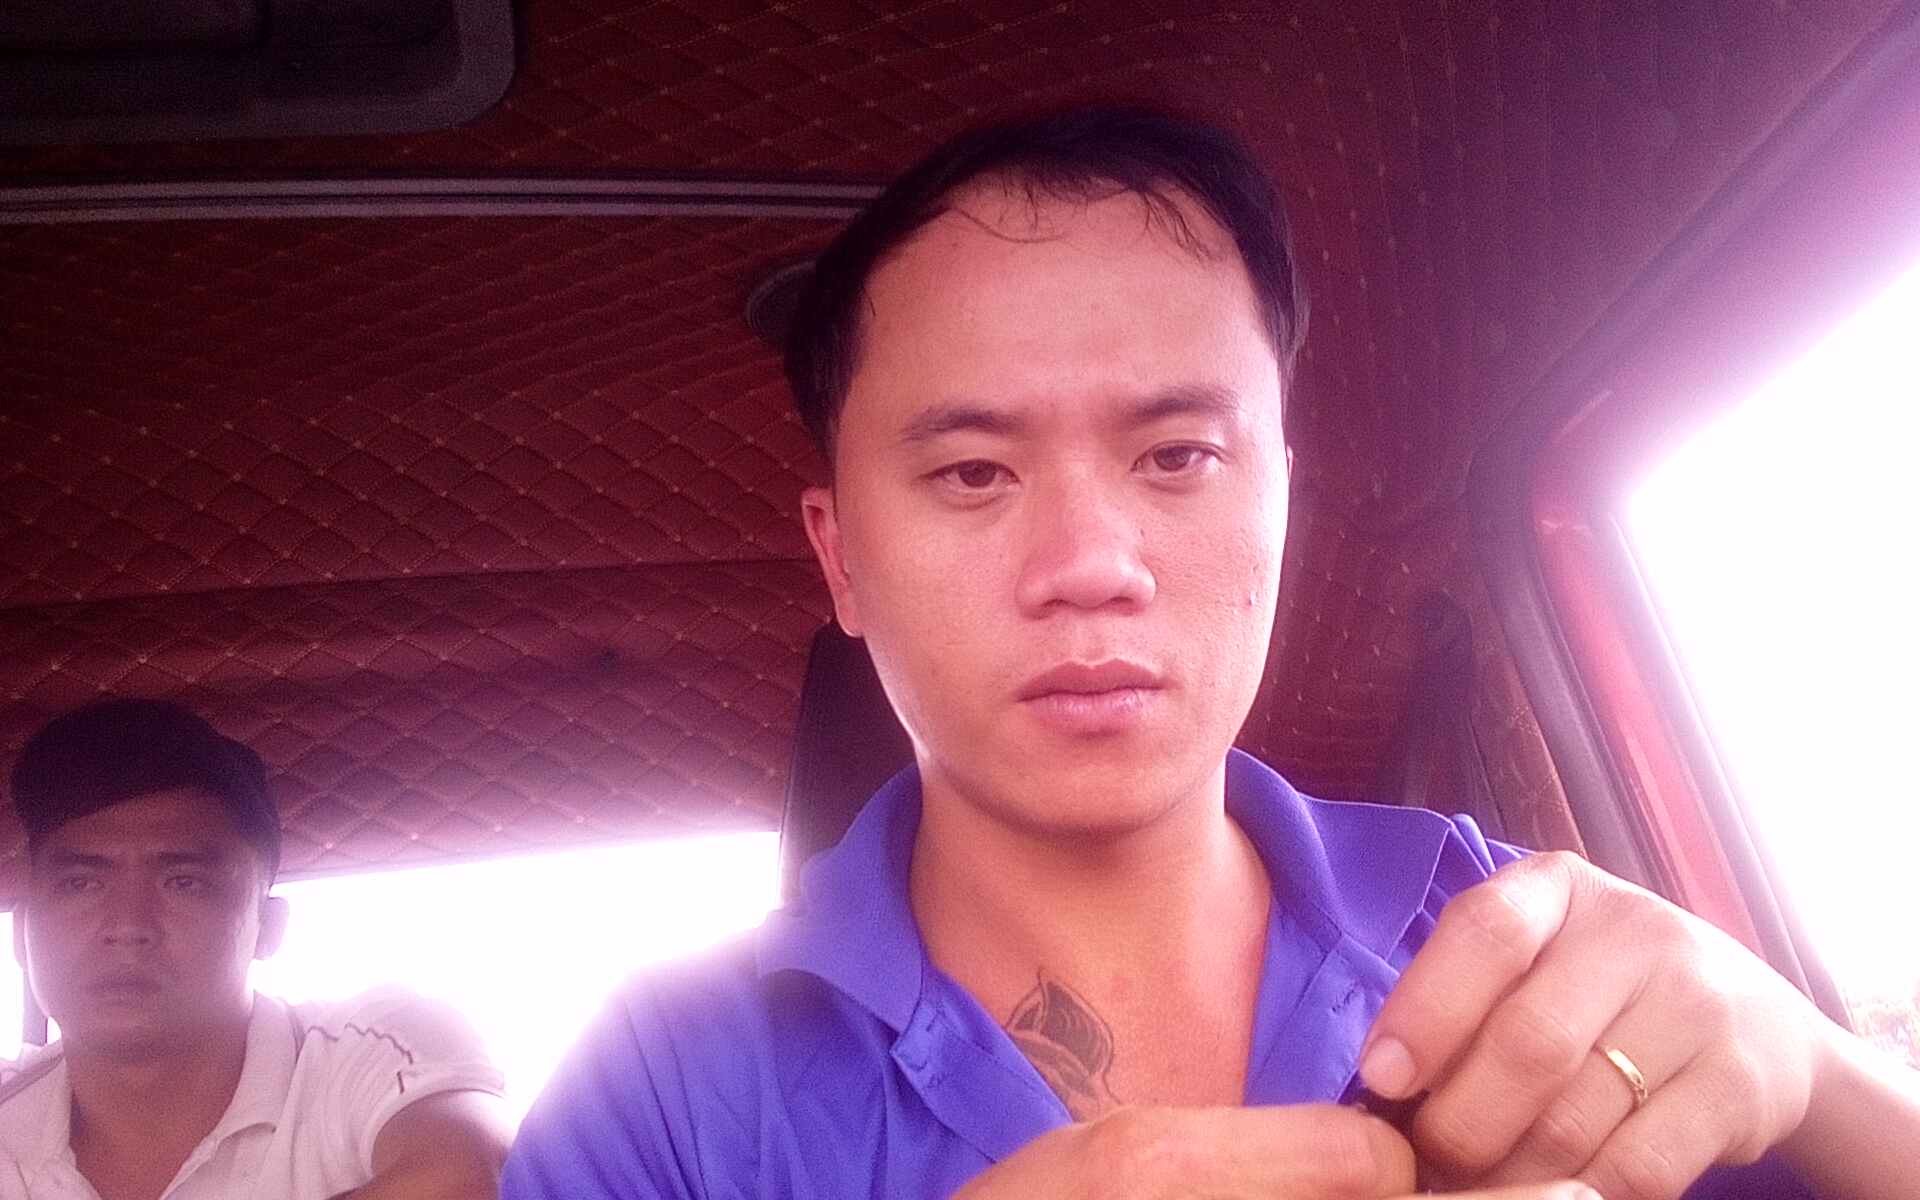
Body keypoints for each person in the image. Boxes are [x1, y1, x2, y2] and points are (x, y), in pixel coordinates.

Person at [500, 109, 1920, 1199]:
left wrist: (1811, 1068)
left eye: (1178, 454)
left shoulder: (1521, 942)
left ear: (1283, 497)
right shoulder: (666, 1097)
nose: (1091, 564)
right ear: (841, 560)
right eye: (974, 474)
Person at [0, 698, 509, 1200]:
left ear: (267, 927)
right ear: (23, 932)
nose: (128, 926)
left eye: (184, 882)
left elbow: (473, 1182)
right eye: (80, 884)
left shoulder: (375, 1051)